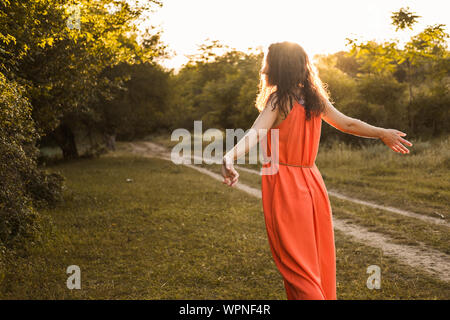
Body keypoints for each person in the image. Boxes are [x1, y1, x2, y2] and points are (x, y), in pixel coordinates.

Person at [221, 41, 412, 300]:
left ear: (279, 66)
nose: (264, 68)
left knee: (297, 265)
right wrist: (381, 133)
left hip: (284, 184)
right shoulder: (313, 99)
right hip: (312, 182)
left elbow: (256, 133)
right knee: (315, 260)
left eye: (268, 61)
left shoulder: (280, 99)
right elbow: (349, 124)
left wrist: (230, 156)